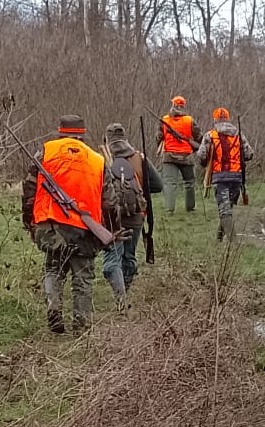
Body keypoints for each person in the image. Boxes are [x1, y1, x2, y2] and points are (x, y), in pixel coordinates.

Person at [22, 116, 118, 334]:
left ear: (60, 132)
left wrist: (29, 221)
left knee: (53, 269)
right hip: (85, 229)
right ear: (82, 134)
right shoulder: (97, 160)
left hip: (52, 224)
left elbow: (29, 189)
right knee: (82, 278)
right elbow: (109, 202)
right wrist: (107, 228)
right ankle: (81, 328)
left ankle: (54, 307)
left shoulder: (45, 152)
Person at [101, 125, 162, 301]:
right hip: (136, 216)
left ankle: (120, 296)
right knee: (128, 256)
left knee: (113, 258)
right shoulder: (139, 157)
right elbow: (158, 185)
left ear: (106, 139)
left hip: (111, 217)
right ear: (125, 138)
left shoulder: (101, 158)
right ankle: (125, 290)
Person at [197, 109, 253, 241]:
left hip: (220, 177)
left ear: (215, 120)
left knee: (224, 210)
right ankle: (219, 238)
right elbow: (249, 154)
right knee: (228, 208)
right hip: (236, 177)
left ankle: (233, 242)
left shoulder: (210, 135)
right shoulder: (238, 134)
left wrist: (207, 164)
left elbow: (201, 156)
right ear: (227, 119)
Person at [158, 94, 197, 215]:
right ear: (183, 106)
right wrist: (194, 147)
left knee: (170, 183)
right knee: (189, 183)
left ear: (173, 105)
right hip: (186, 156)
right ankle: (190, 208)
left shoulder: (164, 120)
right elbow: (199, 136)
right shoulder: (189, 120)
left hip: (169, 156)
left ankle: (169, 210)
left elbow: (158, 137)